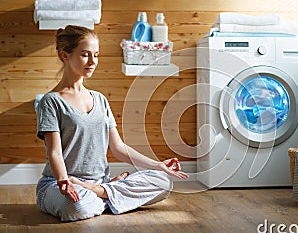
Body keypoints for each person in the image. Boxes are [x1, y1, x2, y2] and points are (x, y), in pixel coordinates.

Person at [35, 25, 188, 222]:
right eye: (85, 55)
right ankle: (111, 195)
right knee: (76, 207)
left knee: (163, 181)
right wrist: (64, 180)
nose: (92, 62)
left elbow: (118, 148)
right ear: (65, 55)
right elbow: (54, 152)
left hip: (99, 183)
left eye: (96, 55)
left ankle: (101, 191)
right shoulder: (51, 101)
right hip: (60, 184)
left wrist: (158, 165)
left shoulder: (100, 100)